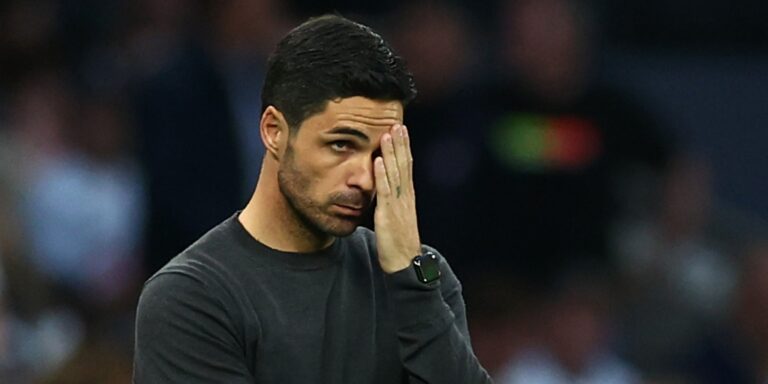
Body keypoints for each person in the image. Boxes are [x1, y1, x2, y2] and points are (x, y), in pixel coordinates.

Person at [133, 14, 492, 384]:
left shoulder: (423, 276)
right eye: (341, 145)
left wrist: (409, 274)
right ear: (274, 132)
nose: (364, 178)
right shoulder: (190, 298)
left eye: (379, 155)